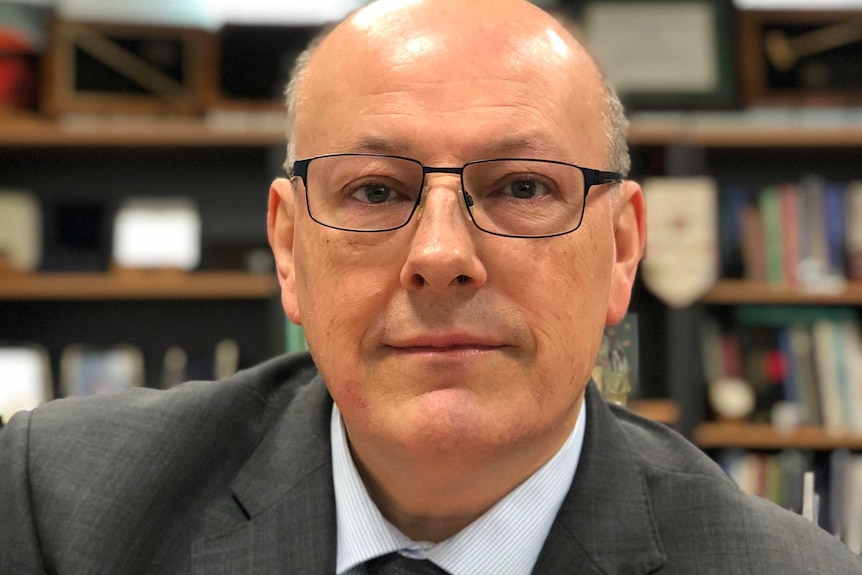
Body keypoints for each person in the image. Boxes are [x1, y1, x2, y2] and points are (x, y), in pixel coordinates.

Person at [1, 0, 860, 573]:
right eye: (375, 190)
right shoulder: (66, 504)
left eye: (523, 187)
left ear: (623, 249)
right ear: (290, 248)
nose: (443, 253)